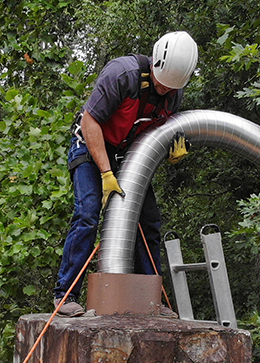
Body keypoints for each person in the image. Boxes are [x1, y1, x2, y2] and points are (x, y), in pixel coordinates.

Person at [53, 31, 198, 317]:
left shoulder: (173, 92)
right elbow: (90, 121)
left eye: (171, 88)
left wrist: (172, 148)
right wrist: (106, 173)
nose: (164, 90)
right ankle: (65, 295)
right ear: (156, 62)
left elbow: (157, 130)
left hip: (127, 154)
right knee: (88, 213)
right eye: (161, 84)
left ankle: (152, 301)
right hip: (90, 144)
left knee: (149, 221)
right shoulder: (123, 74)